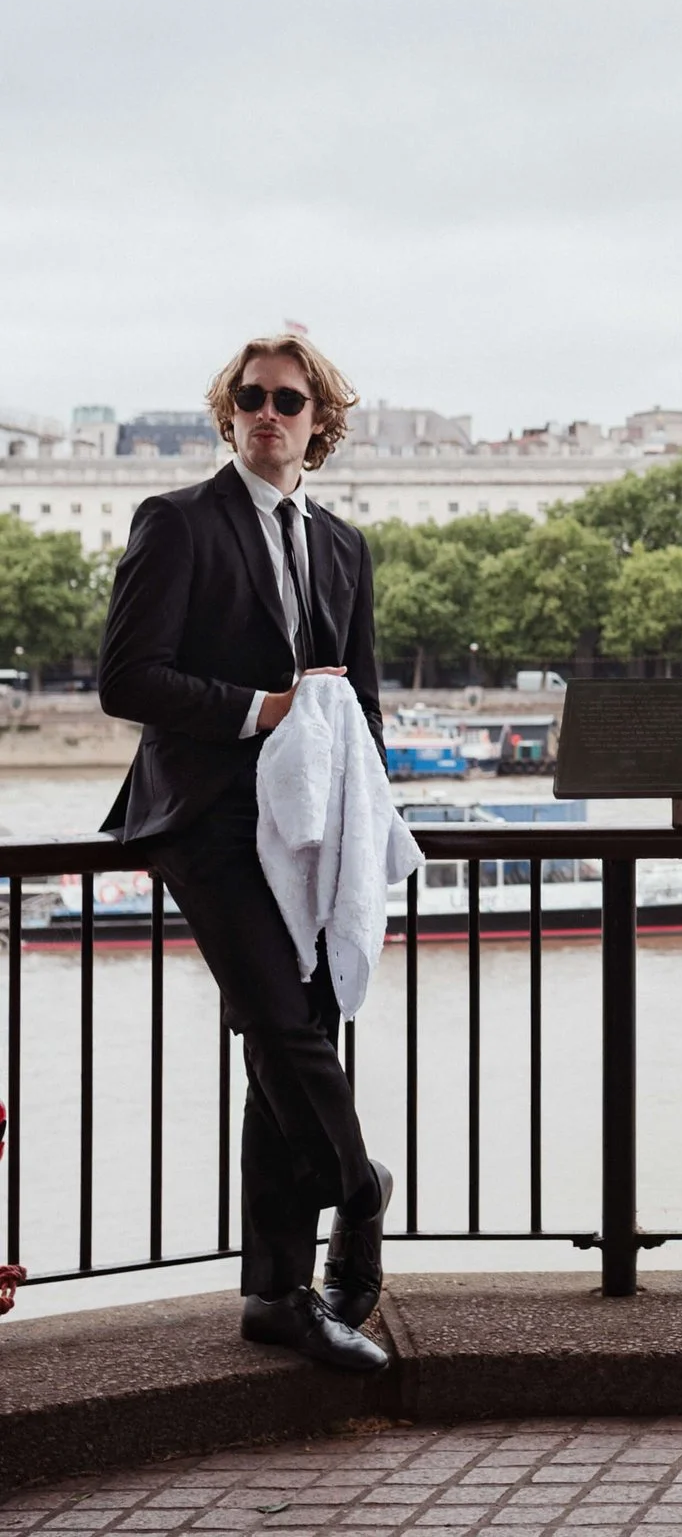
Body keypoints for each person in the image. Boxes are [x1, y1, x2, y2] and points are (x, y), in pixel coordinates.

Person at [98, 334, 394, 1372]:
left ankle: (274, 1296)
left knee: (287, 1044)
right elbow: (128, 678)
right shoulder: (177, 521)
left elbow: (360, 704)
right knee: (280, 1020)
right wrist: (262, 709)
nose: (269, 413)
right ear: (229, 414)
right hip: (207, 817)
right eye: (252, 397)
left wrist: (367, 821)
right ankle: (361, 1191)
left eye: (290, 400)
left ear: (320, 423)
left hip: (309, 829)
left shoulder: (344, 546)